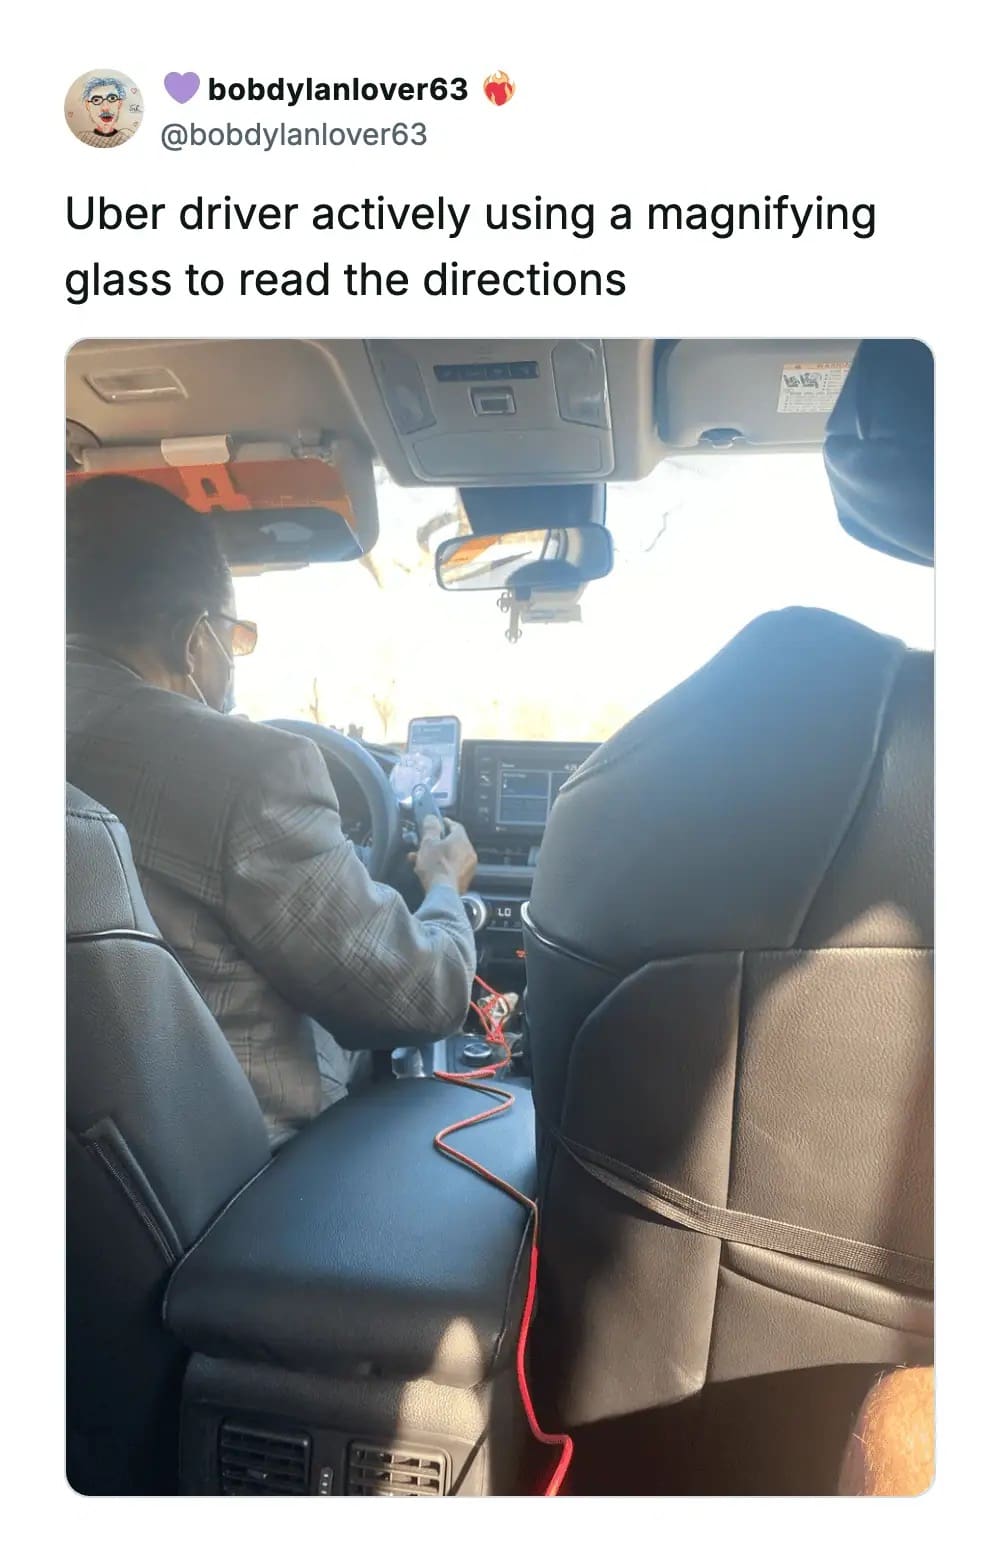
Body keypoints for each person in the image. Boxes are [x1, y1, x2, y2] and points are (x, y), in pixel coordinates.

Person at [66, 475, 479, 1146]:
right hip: (225, 1178)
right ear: (195, 636)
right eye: (234, 637)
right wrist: (441, 887)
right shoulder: (251, 769)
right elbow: (417, 998)